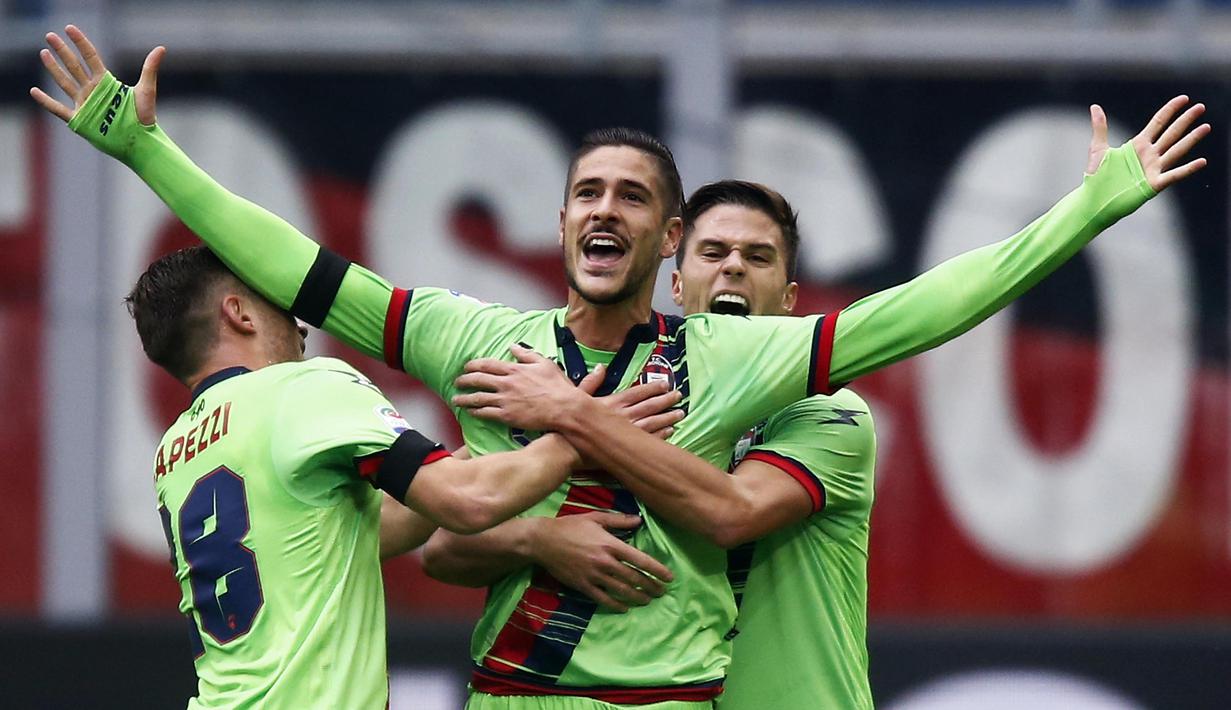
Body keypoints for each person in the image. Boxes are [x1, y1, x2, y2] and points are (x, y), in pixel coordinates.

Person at [32, 25, 1207, 708]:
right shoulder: (473, 336)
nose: (606, 208)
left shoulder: (732, 356)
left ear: (664, 242)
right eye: (587, 191)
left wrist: (1085, 211)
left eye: (632, 197)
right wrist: (146, 150)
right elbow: (298, 264)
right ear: (559, 225)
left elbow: (922, 311)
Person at [430, 180, 877, 708]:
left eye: (759, 257)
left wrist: (575, 418)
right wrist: (539, 540)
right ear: (678, 286)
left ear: (789, 301)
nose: (733, 266)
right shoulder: (630, 405)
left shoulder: (829, 411)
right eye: (712, 252)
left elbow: (733, 512)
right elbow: (443, 547)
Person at [127, 246, 585, 708]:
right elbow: (466, 500)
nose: (301, 324)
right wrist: (586, 426)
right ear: (239, 312)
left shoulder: (175, 449)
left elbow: (356, 532)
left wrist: (495, 445)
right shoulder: (302, 388)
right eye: (280, 301)